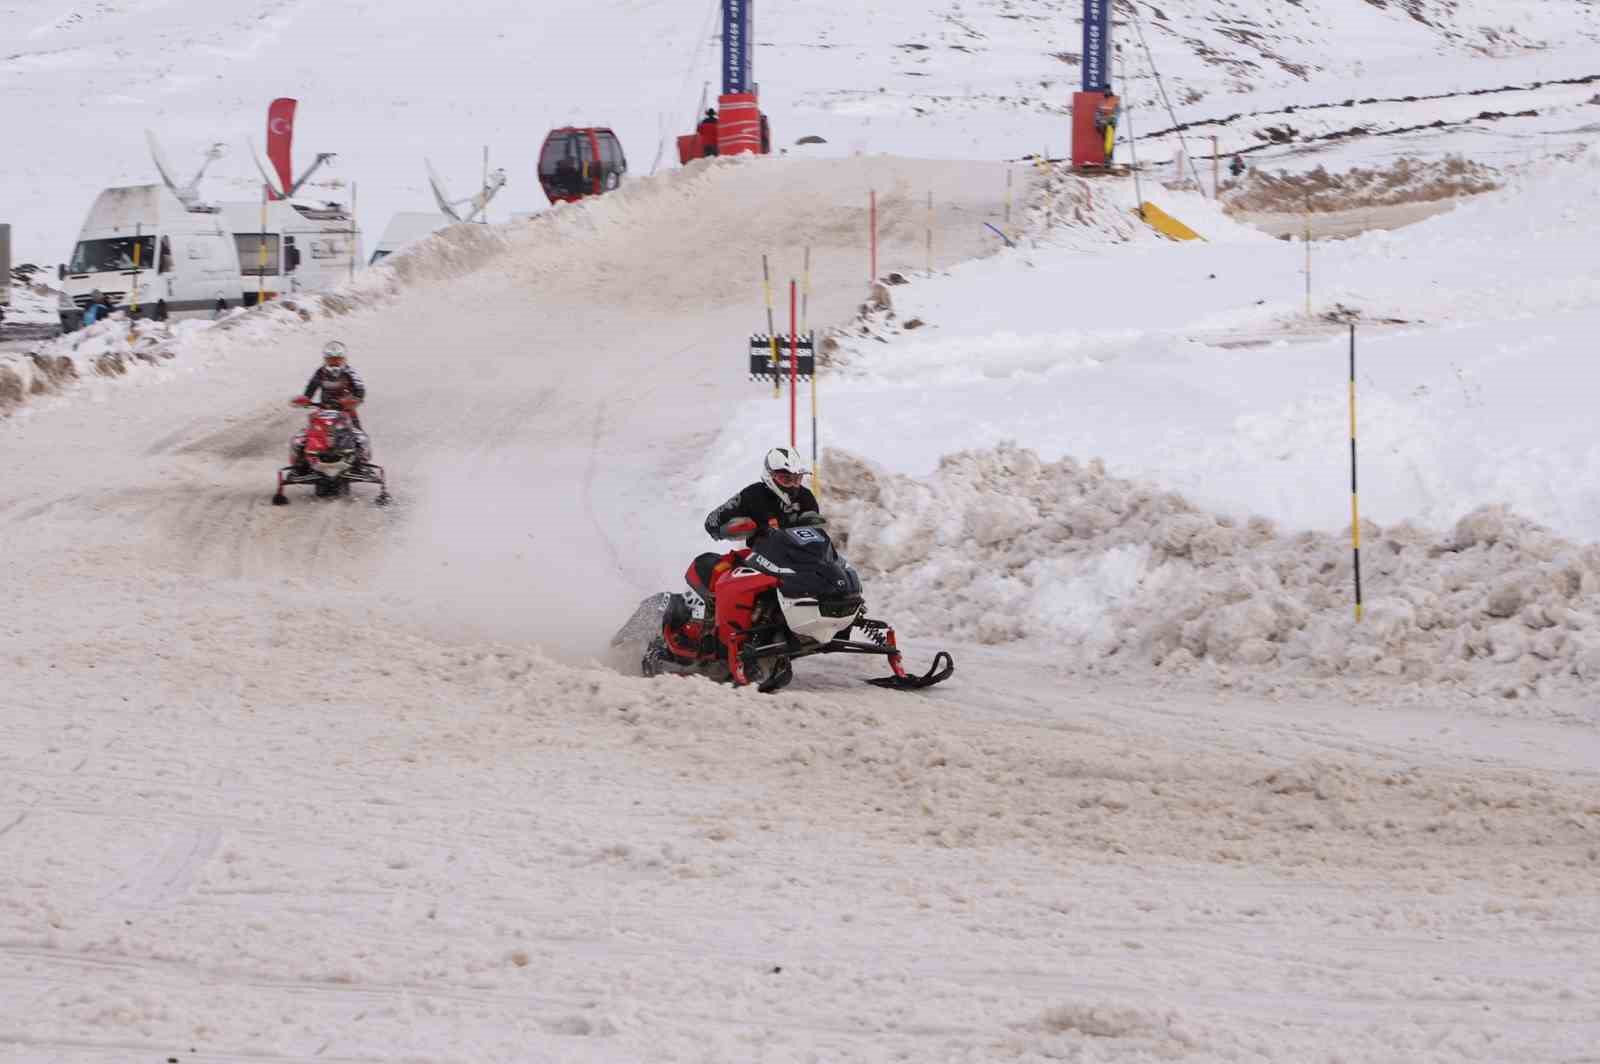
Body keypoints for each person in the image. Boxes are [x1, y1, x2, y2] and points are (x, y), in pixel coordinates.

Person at [292, 340, 370, 470]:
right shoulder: (320, 372)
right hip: (323, 409)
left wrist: (353, 400)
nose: (334, 362)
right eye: (331, 359)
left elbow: (360, 390)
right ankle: (303, 461)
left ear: (343, 359)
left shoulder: (350, 372)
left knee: (359, 436)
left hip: (346, 410)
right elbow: (310, 389)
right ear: (326, 359)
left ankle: (360, 461)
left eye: (337, 359)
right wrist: (305, 399)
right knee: (303, 437)